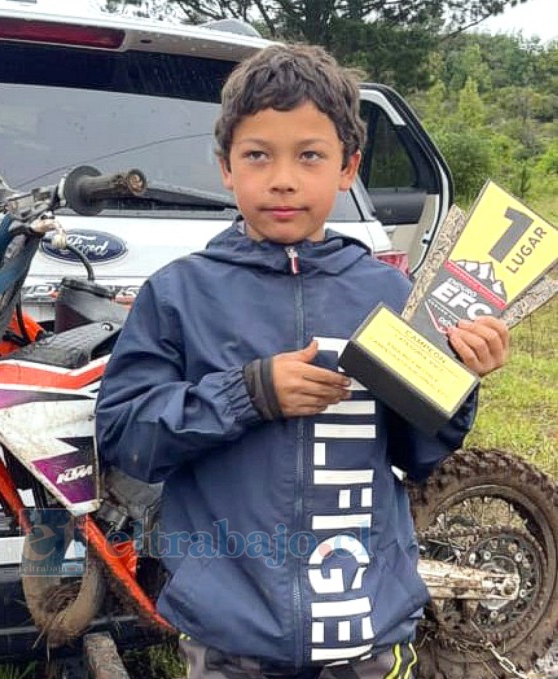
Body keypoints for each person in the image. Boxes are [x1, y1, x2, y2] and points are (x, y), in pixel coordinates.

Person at [95, 44, 509, 679]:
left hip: (364, 628)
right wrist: (250, 392)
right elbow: (126, 438)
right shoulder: (179, 293)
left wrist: (457, 381)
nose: (282, 178)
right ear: (226, 168)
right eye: (258, 155)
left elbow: (417, 452)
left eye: (309, 155)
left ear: (348, 167)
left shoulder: (390, 294)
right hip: (233, 639)